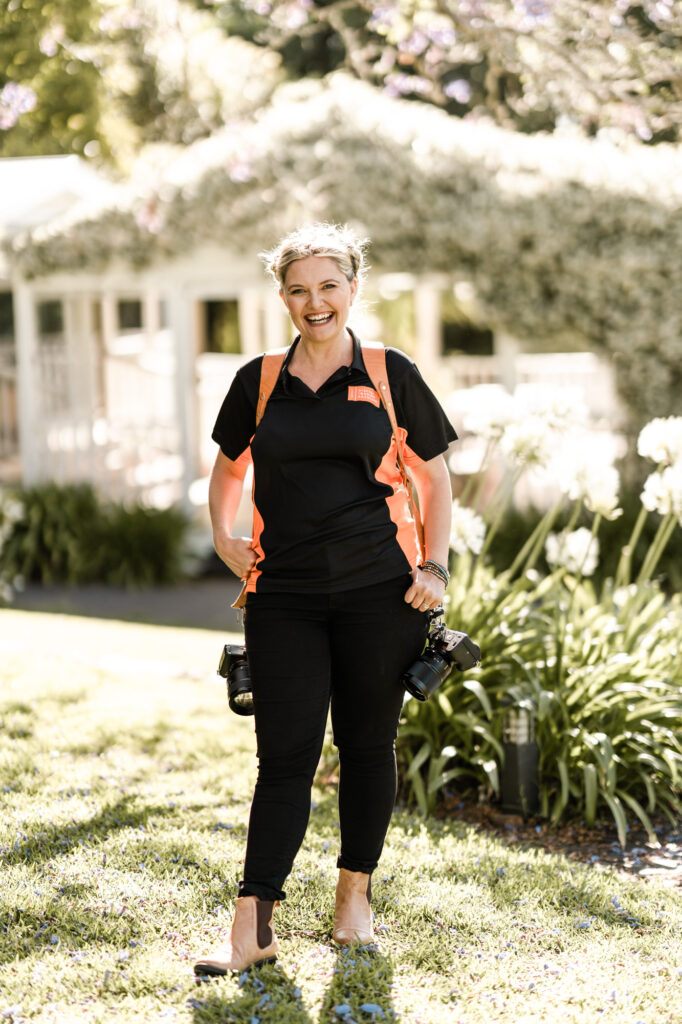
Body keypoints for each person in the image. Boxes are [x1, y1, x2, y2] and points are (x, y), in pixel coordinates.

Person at [194, 223, 457, 976]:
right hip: (283, 594)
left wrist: (434, 567)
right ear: (283, 297)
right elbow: (227, 466)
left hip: (382, 591)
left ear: (354, 288)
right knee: (283, 758)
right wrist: (221, 532)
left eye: (328, 287)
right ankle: (252, 930)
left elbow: (435, 477)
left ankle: (353, 905)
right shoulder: (260, 379)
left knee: (368, 746)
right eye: (299, 290)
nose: (315, 303)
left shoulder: (388, 371)